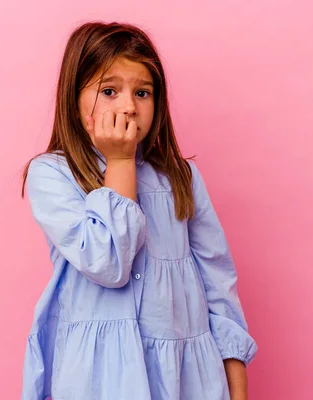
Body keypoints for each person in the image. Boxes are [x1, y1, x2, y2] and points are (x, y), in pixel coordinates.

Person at [21, 21, 257, 400]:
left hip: (186, 377)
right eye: (109, 91)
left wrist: (237, 384)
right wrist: (119, 161)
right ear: (74, 98)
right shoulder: (52, 174)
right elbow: (108, 263)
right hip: (100, 380)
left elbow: (219, 285)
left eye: (143, 92)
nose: (128, 107)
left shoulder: (181, 176)